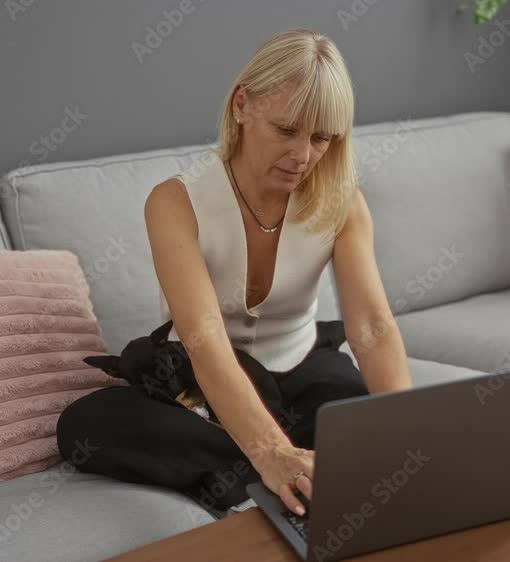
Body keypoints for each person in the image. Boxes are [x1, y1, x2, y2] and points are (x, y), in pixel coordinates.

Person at [55, 28, 414, 517]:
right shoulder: (174, 202)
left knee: (371, 423)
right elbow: (203, 340)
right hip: (200, 378)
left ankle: (258, 473)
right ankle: (283, 466)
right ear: (242, 105)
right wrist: (272, 452)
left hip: (303, 368)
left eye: (320, 139)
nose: (303, 156)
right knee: (87, 425)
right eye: (286, 130)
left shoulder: (344, 203)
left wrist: (408, 434)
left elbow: (372, 324)